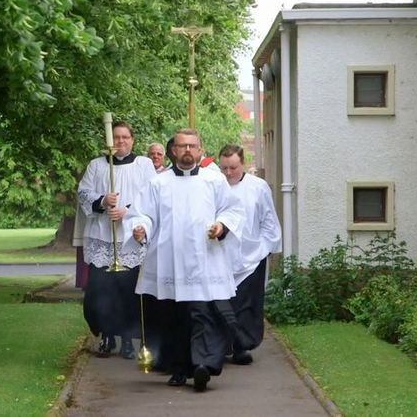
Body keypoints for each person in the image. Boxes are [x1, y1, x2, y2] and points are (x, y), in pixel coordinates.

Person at [123, 128, 246, 392]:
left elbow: (232, 209)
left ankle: (203, 365)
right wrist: (141, 228)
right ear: (174, 151)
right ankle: (179, 368)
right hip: (170, 260)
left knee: (203, 312)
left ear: (200, 150)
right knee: (174, 317)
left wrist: (221, 226)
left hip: (204, 259)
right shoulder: (158, 183)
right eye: (182, 146)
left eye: (192, 146)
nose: (187, 150)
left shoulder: (214, 180)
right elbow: (143, 213)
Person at [78, 121, 156, 359]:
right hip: (102, 236)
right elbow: (84, 193)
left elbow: (152, 195)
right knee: (101, 291)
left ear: (132, 140)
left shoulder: (144, 165)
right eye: (116, 137)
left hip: (130, 238)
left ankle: (127, 340)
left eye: (125, 137)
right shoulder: (96, 165)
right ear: (109, 141)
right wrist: (102, 201)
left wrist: (127, 211)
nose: (121, 141)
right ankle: (107, 335)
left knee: (128, 292)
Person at [218, 145, 281, 365]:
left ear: (242, 164)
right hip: (221, 255)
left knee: (246, 304)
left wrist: (265, 247)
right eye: (224, 168)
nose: (228, 173)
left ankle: (242, 346)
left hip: (252, 255)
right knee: (222, 303)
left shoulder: (258, 187)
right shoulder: (214, 185)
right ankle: (221, 345)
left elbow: (268, 219)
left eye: (233, 168)